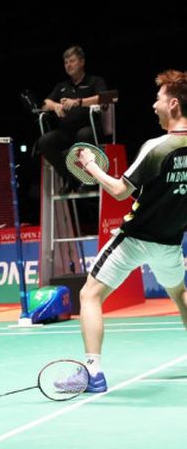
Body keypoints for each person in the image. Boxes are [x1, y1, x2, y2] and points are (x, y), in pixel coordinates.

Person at [57, 69, 187, 393]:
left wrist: (90, 165)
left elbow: (118, 190)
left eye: (157, 100)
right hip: (171, 244)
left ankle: (92, 373)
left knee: (89, 295)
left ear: (173, 104)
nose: (153, 106)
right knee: (180, 295)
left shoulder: (158, 146)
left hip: (135, 240)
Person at [37, 45, 108, 193]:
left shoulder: (95, 81)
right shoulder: (62, 86)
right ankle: (70, 179)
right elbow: (44, 104)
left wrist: (78, 102)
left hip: (90, 131)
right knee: (45, 141)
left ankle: (88, 179)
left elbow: (105, 98)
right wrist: (56, 106)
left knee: (83, 136)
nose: (68, 65)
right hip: (66, 132)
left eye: (72, 61)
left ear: (82, 62)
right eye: (66, 62)